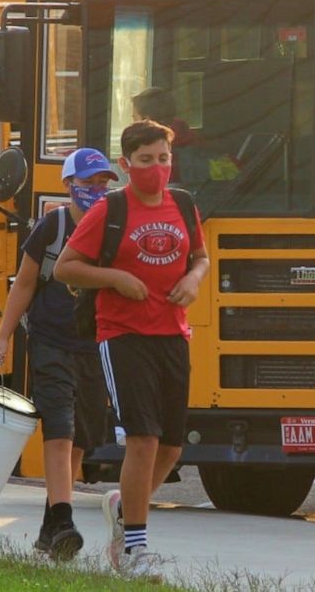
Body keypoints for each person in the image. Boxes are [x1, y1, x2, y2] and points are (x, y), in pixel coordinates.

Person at [53, 120, 210, 579]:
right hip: (122, 334)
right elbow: (66, 267)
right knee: (142, 437)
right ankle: (134, 549)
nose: (157, 169)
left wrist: (193, 280)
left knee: (172, 446)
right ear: (126, 165)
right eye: (146, 161)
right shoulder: (111, 209)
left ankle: (125, 504)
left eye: (163, 159)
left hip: (172, 333)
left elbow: (200, 256)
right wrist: (116, 279)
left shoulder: (182, 203)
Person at [0, 148, 117, 561]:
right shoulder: (52, 226)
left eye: (102, 184)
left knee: (82, 438)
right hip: (51, 343)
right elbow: (24, 285)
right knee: (58, 429)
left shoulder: (114, 227)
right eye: (88, 183)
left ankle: (50, 528)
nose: (96, 191)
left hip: (97, 347)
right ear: (68, 185)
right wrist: (3, 337)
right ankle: (63, 520)